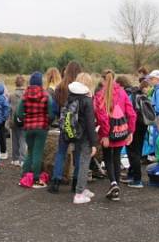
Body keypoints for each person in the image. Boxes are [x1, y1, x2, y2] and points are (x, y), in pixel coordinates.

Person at [93, 70, 137, 201]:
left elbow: (102, 118)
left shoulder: (100, 95)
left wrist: (105, 134)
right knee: (117, 158)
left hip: (108, 133)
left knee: (108, 158)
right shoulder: (123, 93)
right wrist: (130, 131)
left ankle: (113, 183)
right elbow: (132, 114)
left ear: (102, 80)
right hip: (121, 131)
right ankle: (116, 188)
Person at [49, 61, 83, 193]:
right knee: (78, 155)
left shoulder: (60, 87)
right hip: (79, 126)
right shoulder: (83, 88)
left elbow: (55, 110)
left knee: (61, 153)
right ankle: (75, 183)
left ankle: (56, 181)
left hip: (65, 125)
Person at [18, 72, 54, 188]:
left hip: (28, 127)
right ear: (40, 82)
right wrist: (48, 122)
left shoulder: (25, 95)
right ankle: (36, 178)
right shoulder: (46, 95)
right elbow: (51, 114)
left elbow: (18, 113)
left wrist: (25, 120)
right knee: (38, 152)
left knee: (30, 151)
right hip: (41, 127)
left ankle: (24, 174)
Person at [68, 73, 99, 204]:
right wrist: (94, 143)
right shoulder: (86, 100)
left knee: (80, 161)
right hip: (85, 135)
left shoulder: (71, 97)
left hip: (75, 134)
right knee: (84, 163)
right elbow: (90, 123)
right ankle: (79, 193)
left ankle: (82, 188)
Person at [117, 75, 145, 188]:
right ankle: (131, 175)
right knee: (137, 151)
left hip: (133, 125)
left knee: (132, 152)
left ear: (121, 85)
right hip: (143, 124)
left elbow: (125, 112)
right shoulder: (137, 92)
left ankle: (137, 180)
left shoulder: (126, 95)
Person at [142, 69, 159, 159]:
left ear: (158, 79)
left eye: (152, 79)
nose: (150, 81)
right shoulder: (158, 89)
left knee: (158, 141)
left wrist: (150, 109)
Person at [9, 75, 27, 167]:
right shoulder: (27, 95)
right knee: (23, 140)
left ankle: (15, 159)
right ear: (24, 82)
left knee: (15, 140)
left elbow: (9, 109)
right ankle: (22, 159)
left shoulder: (11, 95)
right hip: (24, 120)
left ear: (15, 83)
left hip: (13, 120)